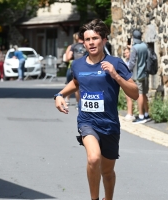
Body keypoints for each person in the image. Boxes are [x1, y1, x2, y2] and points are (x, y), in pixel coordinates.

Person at [54, 19, 138, 200]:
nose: (91, 42)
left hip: (110, 125)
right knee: (93, 158)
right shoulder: (77, 65)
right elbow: (76, 82)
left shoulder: (115, 63)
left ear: (104, 40)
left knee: (107, 172)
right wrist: (59, 95)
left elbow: (135, 93)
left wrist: (115, 75)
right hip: (87, 122)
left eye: (95, 38)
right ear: (83, 42)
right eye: (87, 39)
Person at [128, 30, 151, 124]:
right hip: (145, 73)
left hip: (137, 74)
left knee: (140, 94)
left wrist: (127, 70)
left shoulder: (134, 48)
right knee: (144, 94)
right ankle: (146, 113)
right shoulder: (145, 46)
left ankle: (141, 116)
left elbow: (132, 63)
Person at [65, 32, 86, 108]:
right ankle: (78, 103)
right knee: (79, 86)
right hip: (84, 67)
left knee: (70, 83)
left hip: (73, 67)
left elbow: (68, 58)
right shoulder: (86, 46)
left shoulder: (73, 46)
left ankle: (67, 99)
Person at [123, 47, 136, 121]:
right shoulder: (126, 61)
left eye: (127, 52)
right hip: (126, 80)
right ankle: (129, 112)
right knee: (127, 97)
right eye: (125, 53)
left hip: (130, 80)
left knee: (129, 97)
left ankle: (130, 114)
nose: (126, 54)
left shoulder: (131, 62)